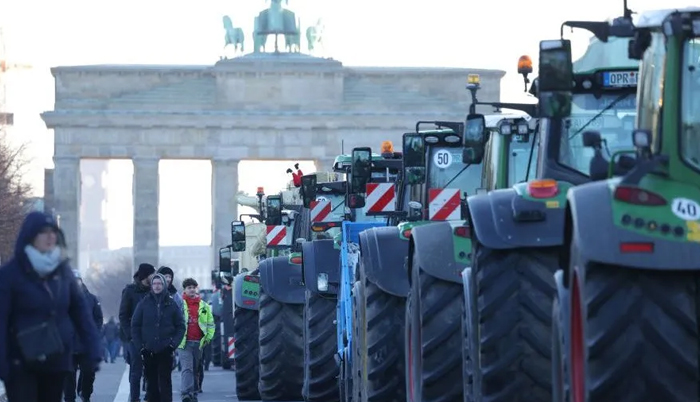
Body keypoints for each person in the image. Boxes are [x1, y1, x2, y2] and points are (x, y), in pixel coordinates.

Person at [0, 212, 102, 402]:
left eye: (53, 232)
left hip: (56, 359)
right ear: (30, 236)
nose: (50, 237)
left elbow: (81, 312)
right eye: (43, 232)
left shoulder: (62, 272)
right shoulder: (10, 274)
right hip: (21, 362)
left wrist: (93, 347)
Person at [131, 274, 185, 402]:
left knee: (165, 383)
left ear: (164, 285)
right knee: (151, 384)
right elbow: (135, 325)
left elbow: (180, 326)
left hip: (166, 349)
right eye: (154, 283)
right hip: (148, 350)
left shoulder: (171, 303)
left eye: (159, 283)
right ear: (151, 286)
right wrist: (141, 347)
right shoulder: (144, 303)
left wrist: (173, 344)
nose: (157, 286)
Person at [119, 263, 156, 402]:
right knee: (136, 369)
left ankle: (149, 395)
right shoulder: (130, 291)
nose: (154, 276)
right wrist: (130, 335)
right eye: (153, 273)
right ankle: (134, 398)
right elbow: (123, 315)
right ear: (146, 275)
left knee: (151, 368)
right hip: (134, 337)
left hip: (151, 336)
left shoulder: (154, 290)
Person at [66, 270, 103, 402]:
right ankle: (69, 398)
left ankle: (85, 394)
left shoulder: (92, 299)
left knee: (88, 372)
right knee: (68, 374)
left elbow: (98, 319)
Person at [178, 278, 215, 402]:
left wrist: (208, 338)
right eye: (189, 288)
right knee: (187, 368)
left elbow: (210, 323)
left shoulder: (204, 305)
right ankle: (185, 393)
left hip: (199, 342)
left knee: (195, 368)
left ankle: (193, 393)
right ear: (185, 290)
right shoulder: (179, 304)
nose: (192, 290)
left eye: (194, 287)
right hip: (184, 342)